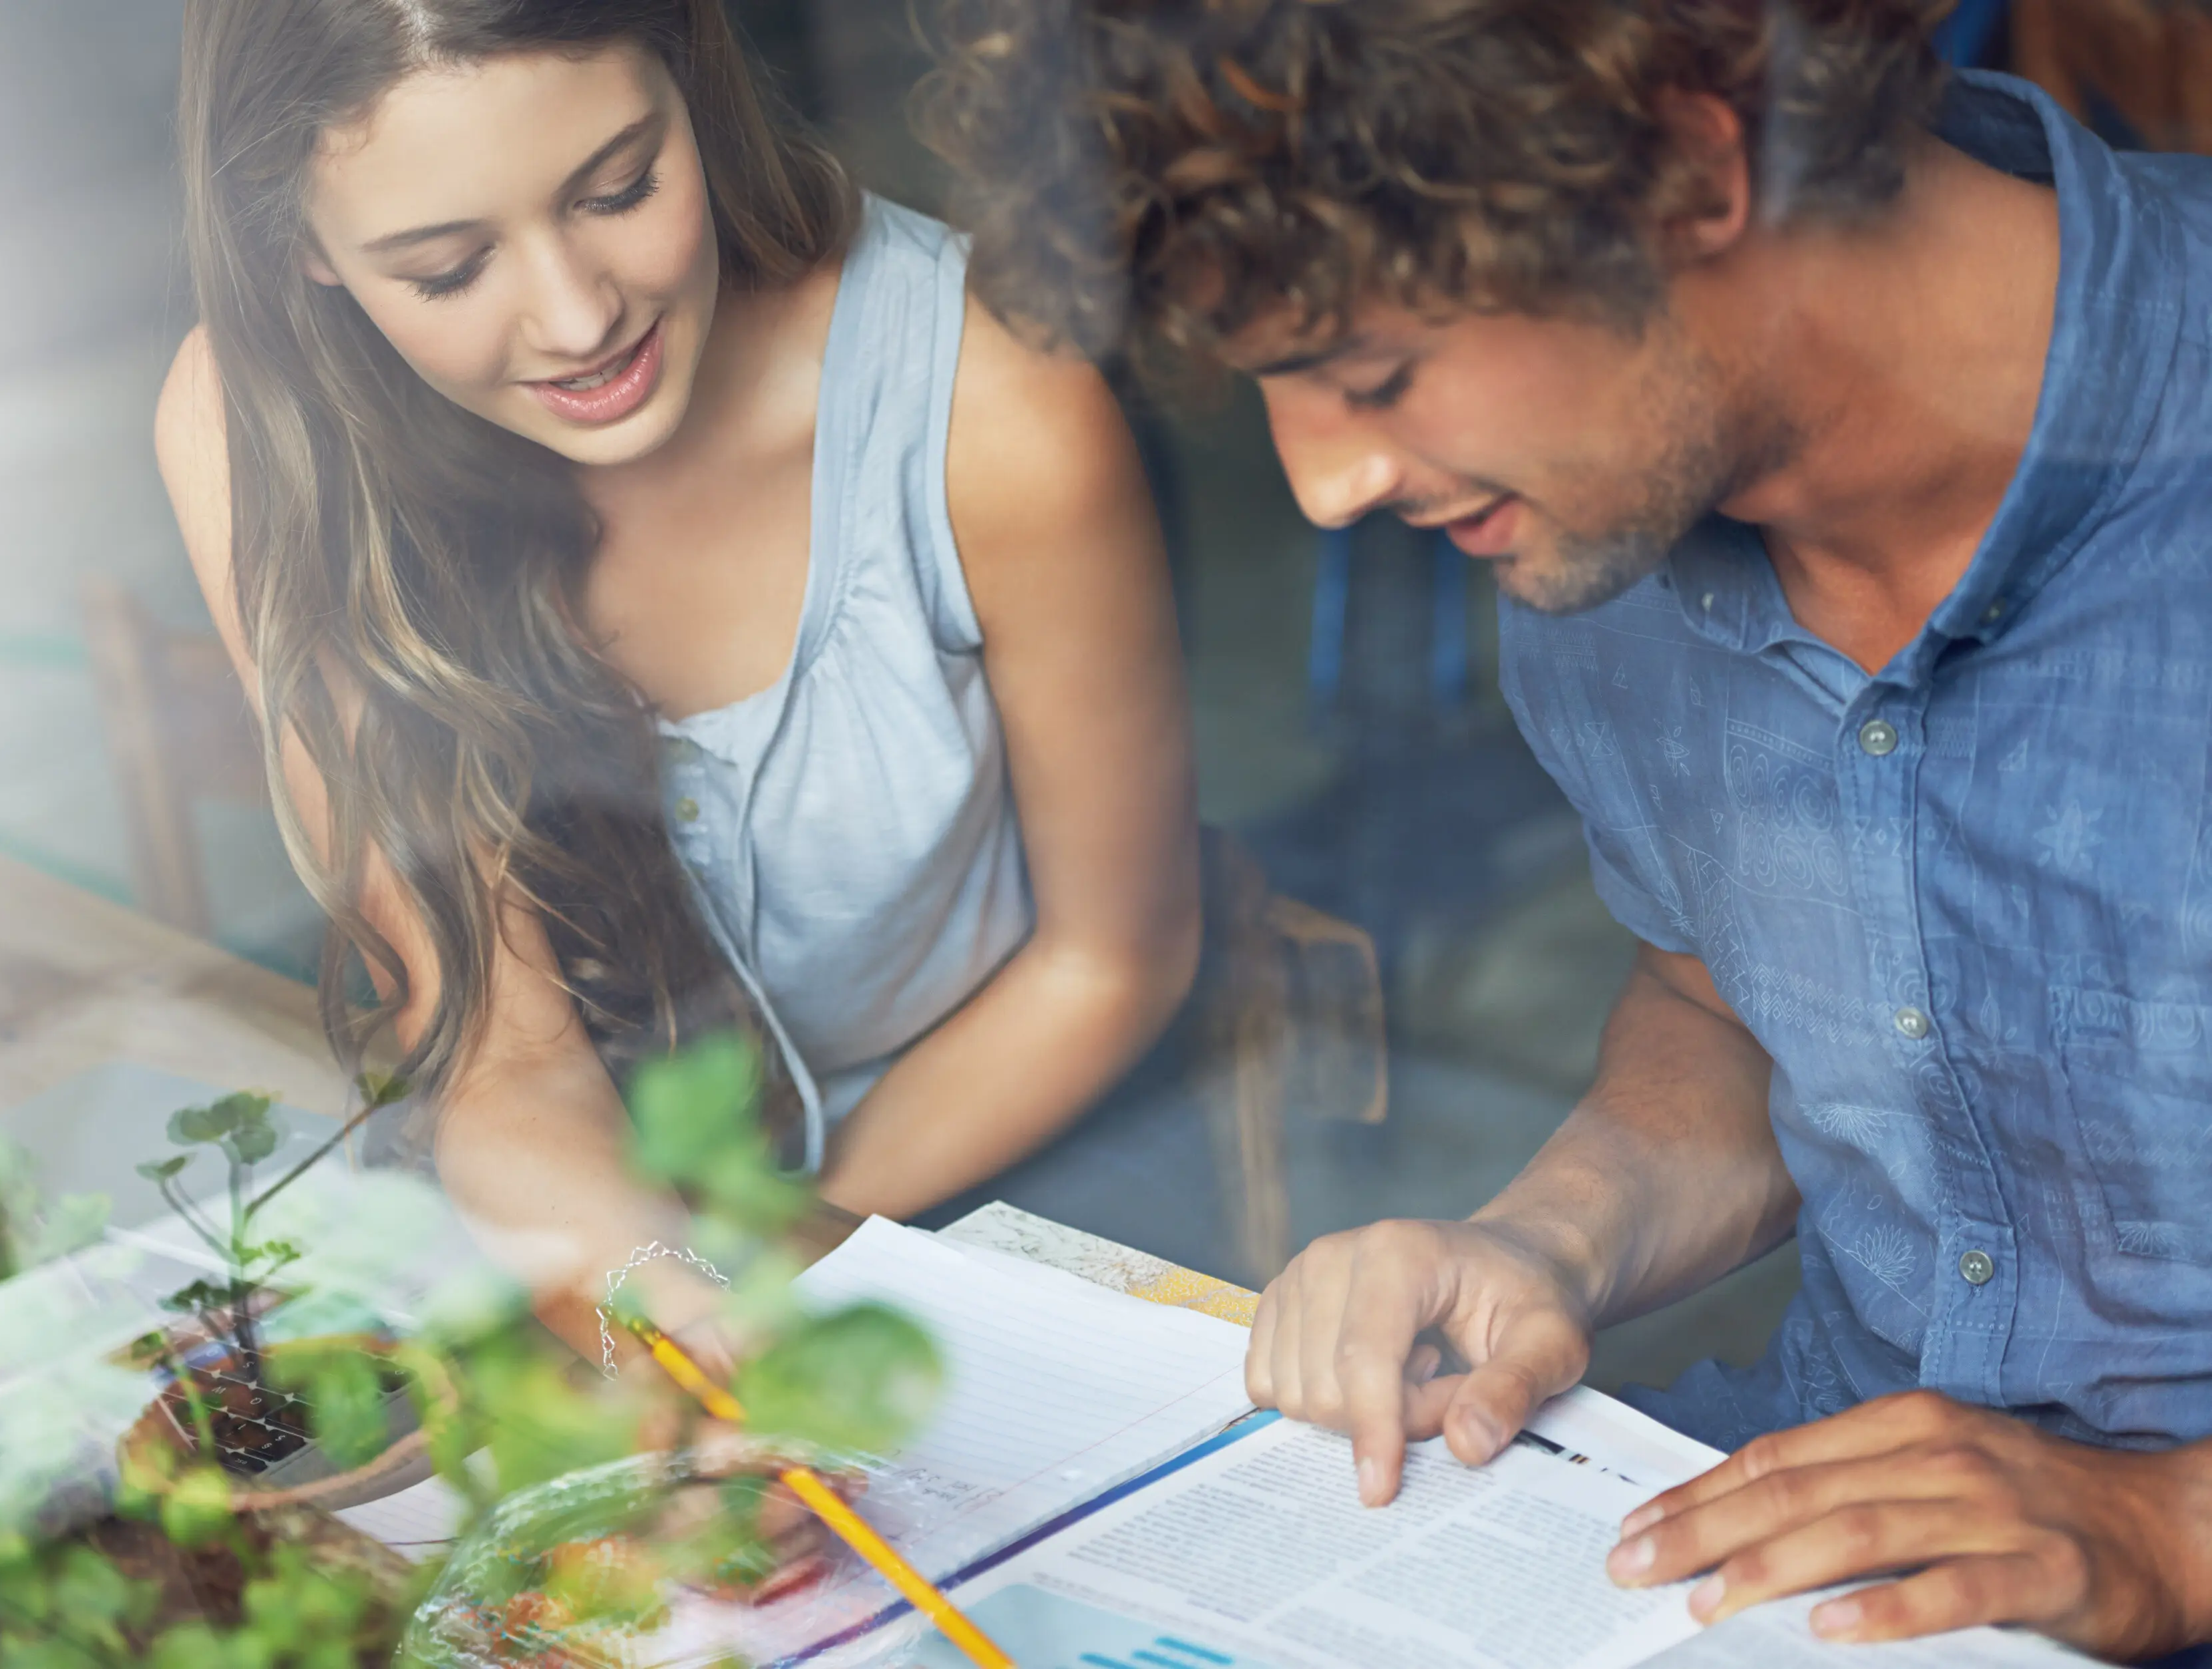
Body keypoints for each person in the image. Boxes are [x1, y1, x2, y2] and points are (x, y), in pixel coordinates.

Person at [922, 0, 2212, 1658]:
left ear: (1691, 159)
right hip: (1800, 1529)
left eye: (1372, 371)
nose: (1321, 486)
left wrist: (2161, 1524)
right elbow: (1727, 1005)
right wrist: (1545, 1238)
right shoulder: (1596, 535)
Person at [154, 0, 1199, 1348]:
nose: (580, 315)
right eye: (448, 268)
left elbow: (1106, 964)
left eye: (619, 187)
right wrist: (662, 1290)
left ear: (691, 80)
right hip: (588, 1236)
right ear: (301, 249)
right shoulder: (264, 435)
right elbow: (504, 1050)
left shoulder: (999, 413)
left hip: (993, 1191)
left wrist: (755, 1268)